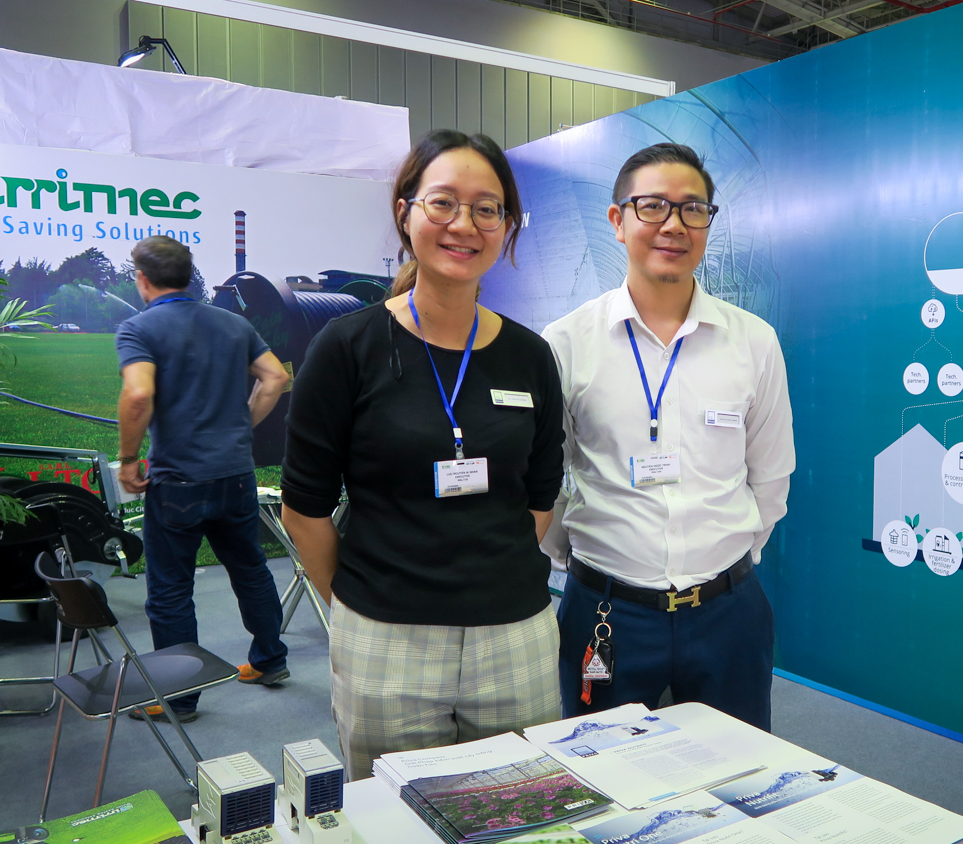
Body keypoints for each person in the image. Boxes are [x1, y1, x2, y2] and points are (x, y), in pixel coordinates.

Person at [280, 130, 565, 777]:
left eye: (486, 208)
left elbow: (540, 496)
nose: (464, 224)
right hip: (387, 636)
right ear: (405, 212)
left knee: (519, 805)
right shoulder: (347, 347)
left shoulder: (529, 356)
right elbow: (305, 508)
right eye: (443, 202)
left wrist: (482, 575)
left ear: (507, 226)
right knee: (393, 813)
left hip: (514, 633)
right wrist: (356, 608)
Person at [542, 143, 794, 731]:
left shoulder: (754, 342)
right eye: (652, 206)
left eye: (692, 209)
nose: (674, 225)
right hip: (607, 611)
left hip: (727, 612)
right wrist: (584, 560)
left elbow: (771, 476)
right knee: (602, 769)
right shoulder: (566, 343)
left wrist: (725, 563)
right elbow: (546, 481)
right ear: (617, 220)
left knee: (738, 768)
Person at [114, 236, 292, 723]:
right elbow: (275, 378)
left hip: (178, 481)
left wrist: (128, 459)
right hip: (236, 475)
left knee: (170, 589)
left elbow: (137, 395)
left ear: (143, 279)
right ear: (188, 275)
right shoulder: (234, 324)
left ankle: (180, 698)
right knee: (250, 569)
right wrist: (241, 427)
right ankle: (270, 661)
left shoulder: (139, 328)